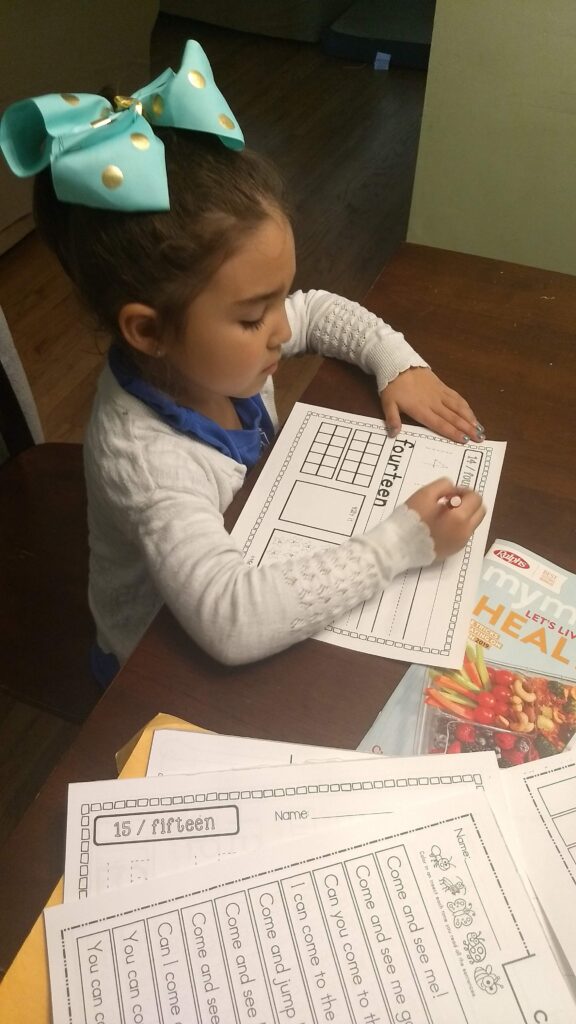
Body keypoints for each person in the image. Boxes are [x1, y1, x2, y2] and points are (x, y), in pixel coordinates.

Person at [0, 40, 485, 685]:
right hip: (156, 661)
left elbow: (320, 310)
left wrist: (397, 363)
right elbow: (230, 620)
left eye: (278, 297)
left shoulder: (222, 351)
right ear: (149, 332)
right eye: (255, 315)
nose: (283, 326)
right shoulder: (149, 460)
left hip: (256, 532)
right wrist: (402, 543)